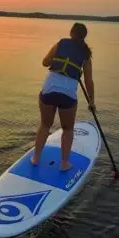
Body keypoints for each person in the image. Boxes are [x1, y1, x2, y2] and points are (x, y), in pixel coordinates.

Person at [31, 22, 95, 171]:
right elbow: (88, 80)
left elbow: (44, 62)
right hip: (68, 93)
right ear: (84, 37)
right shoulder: (86, 55)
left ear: (71, 33)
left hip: (49, 88)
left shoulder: (60, 44)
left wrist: (58, 60)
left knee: (45, 125)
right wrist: (92, 101)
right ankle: (64, 163)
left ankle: (35, 158)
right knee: (67, 129)